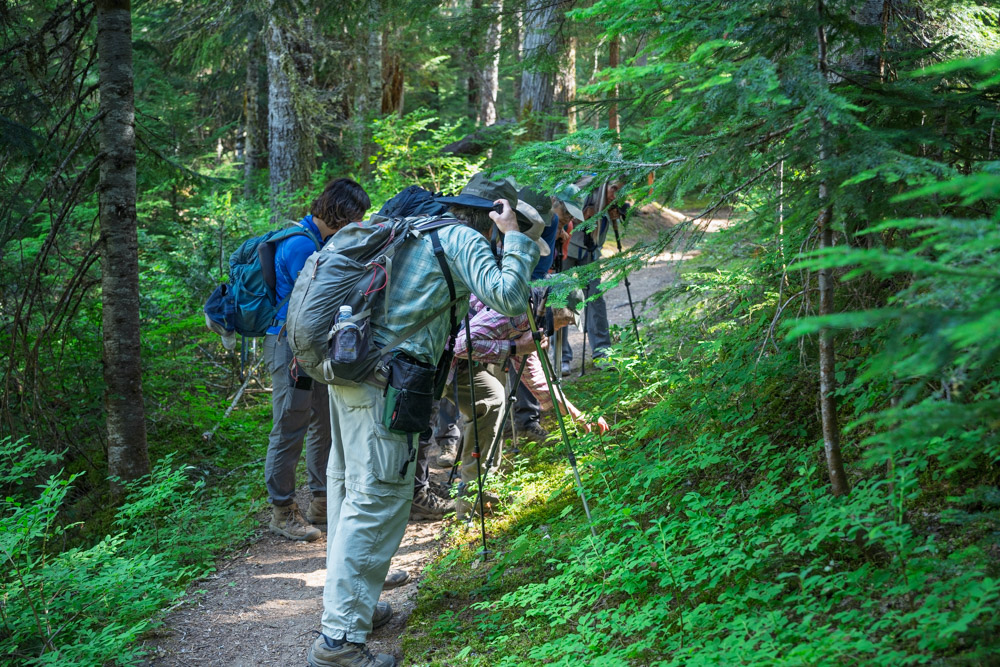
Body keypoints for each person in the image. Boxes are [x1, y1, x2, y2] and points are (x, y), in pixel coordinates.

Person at [307, 173, 538, 667]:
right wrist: (516, 237)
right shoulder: (459, 236)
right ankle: (340, 644)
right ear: (493, 213)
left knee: (349, 489)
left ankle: (355, 611)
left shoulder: (406, 225)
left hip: (352, 368)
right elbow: (510, 297)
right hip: (387, 387)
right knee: (377, 502)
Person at [264, 178, 371, 542]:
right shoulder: (299, 245)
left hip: (314, 345)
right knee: (290, 424)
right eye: (356, 215)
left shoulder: (320, 242)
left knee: (323, 421)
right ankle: (282, 510)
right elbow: (306, 306)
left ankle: (322, 501)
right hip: (288, 344)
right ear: (343, 213)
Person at [451, 288, 609, 519]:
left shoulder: (530, 322)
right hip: (437, 360)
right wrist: (515, 348)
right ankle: (472, 496)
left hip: (458, 362)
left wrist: (581, 417)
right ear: (553, 310)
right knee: (492, 400)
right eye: (564, 321)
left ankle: (482, 487)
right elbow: (462, 345)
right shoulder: (512, 311)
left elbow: (540, 384)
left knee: (493, 401)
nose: (562, 328)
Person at [560, 177, 625, 375]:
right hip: (567, 250)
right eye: (613, 189)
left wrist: (615, 215)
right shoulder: (585, 194)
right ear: (606, 185)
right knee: (563, 300)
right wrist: (580, 218)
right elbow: (563, 217)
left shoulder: (611, 201)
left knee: (595, 298)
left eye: (619, 191)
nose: (615, 194)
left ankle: (603, 353)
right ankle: (562, 357)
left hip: (590, 252)